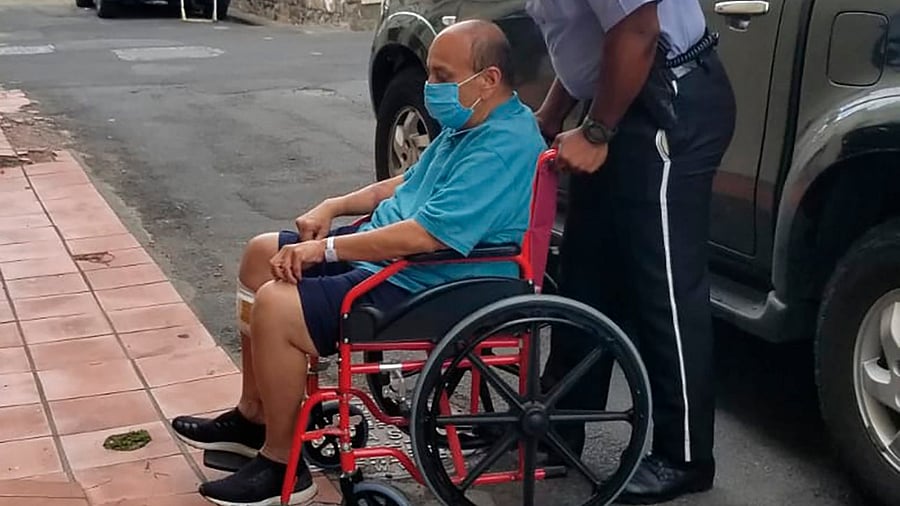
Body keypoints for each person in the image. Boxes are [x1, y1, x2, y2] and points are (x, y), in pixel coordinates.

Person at [169, 19, 546, 506]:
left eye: (440, 75)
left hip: (431, 281)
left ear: (487, 79)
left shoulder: (501, 146)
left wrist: (324, 249)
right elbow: (404, 187)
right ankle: (254, 413)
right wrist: (333, 205)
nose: (429, 87)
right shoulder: (469, 125)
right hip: (396, 258)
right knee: (261, 254)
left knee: (277, 305)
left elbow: (427, 235)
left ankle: (284, 464)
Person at [525, 0, 736, 504]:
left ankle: (683, 457)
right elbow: (589, 39)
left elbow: (638, 30)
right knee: (586, 271)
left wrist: (598, 131)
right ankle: (561, 423)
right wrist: (554, 114)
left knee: (665, 287)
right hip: (617, 95)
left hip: (667, 99)